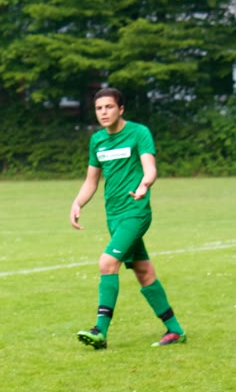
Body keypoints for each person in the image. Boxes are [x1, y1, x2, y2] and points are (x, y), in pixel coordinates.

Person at [70, 88, 186, 349]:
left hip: (136, 212)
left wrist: (144, 185)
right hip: (113, 216)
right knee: (144, 272)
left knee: (107, 262)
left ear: (121, 109)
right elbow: (91, 181)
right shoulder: (97, 141)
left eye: (109, 107)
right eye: (99, 108)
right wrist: (77, 203)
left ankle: (100, 331)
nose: (104, 112)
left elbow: (150, 168)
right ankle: (175, 330)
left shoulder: (138, 133)